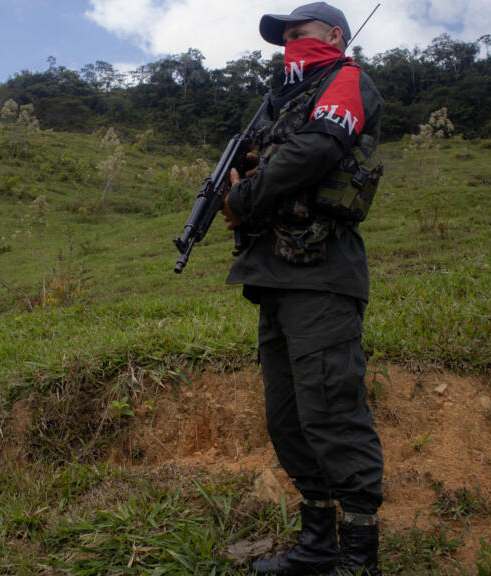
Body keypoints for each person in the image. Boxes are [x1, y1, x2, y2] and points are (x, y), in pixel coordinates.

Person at [219, 2, 385, 575]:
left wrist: (243, 199)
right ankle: (317, 543)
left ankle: (360, 557)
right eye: (282, 38)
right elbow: (263, 160)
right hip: (273, 276)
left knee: (332, 413)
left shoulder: (348, 81)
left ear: (333, 35)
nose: (289, 43)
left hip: (322, 275)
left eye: (299, 33)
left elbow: (316, 150)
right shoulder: (278, 103)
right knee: (287, 419)